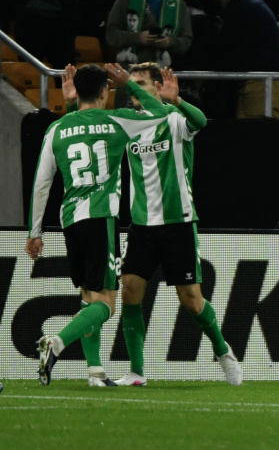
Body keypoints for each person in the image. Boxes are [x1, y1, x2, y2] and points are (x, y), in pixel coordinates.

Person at [80, 62, 240, 387]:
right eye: (132, 83)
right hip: (141, 225)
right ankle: (137, 372)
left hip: (178, 222)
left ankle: (223, 351)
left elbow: (201, 121)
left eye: (140, 83)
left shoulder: (174, 120)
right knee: (129, 291)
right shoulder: (129, 126)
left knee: (191, 300)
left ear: (157, 87)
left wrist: (177, 101)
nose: (133, 89)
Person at [27, 63, 166, 387]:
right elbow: (160, 113)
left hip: (70, 221)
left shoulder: (58, 128)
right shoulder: (116, 119)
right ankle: (56, 342)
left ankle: (95, 372)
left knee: (88, 295)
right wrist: (128, 86)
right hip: (101, 216)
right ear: (105, 92)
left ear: (77, 91)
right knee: (106, 304)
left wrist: (35, 232)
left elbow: (41, 183)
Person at [106, 0, 194, 107]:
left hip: (160, 74)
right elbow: (111, 35)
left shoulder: (179, 5)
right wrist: (138, 38)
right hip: (129, 71)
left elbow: (186, 40)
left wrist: (170, 41)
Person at [207, 0, 279, 118]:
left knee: (256, 137)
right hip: (257, 82)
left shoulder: (241, 9)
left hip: (262, 83)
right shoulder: (250, 3)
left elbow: (222, 49)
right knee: (247, 137)